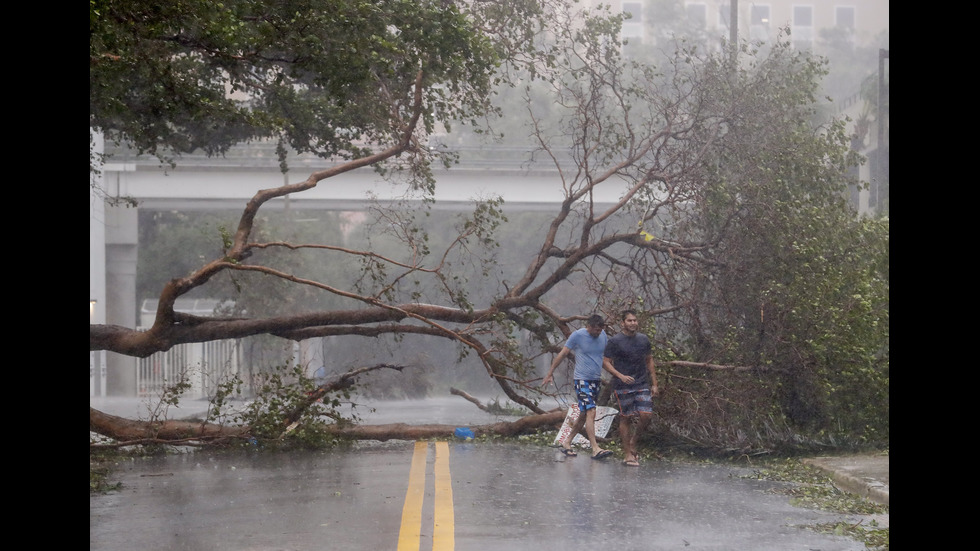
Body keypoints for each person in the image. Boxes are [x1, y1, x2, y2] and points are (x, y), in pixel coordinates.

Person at [540, 314, 614, 460]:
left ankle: (567, 442)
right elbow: (563, 354)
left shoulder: (603, 335)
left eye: (600, 330)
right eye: (596, 330)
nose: (598, 333)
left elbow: (605, 358)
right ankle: (595, 448)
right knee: (591, 411)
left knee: (583, 414)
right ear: (589, 327)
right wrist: (550, 373)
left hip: (595, 380)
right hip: (581, 380)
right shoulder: (578, 335)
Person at [602, 309, 659, 467]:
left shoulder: (643, 340)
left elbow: (649, 361)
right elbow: (605, 362)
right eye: (629, 320)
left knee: (646, 415)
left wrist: (654, 383)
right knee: (625, 417)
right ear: (623, 323)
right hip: (623, 385)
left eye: (635, 320)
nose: (633, 323)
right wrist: (619, 375)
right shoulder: (615, 341)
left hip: (641, 383)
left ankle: (633, 441)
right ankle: (627, 454)